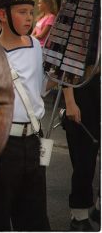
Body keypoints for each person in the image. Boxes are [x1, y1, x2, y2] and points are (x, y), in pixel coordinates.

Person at [0, 0, 51, 230]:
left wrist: (61, 77)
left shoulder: (36, 46)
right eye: (22, 12)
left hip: (34, 140)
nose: (29, 18)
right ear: (3, 15)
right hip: (2, 145)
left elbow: (38, 89)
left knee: (36, 218)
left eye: (30, 12)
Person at [63, 78, 100, 230]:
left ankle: (99, 208)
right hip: (85, 95)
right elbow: (68, 66)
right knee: (84, 160)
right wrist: (70, 101)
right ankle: (79, 216)